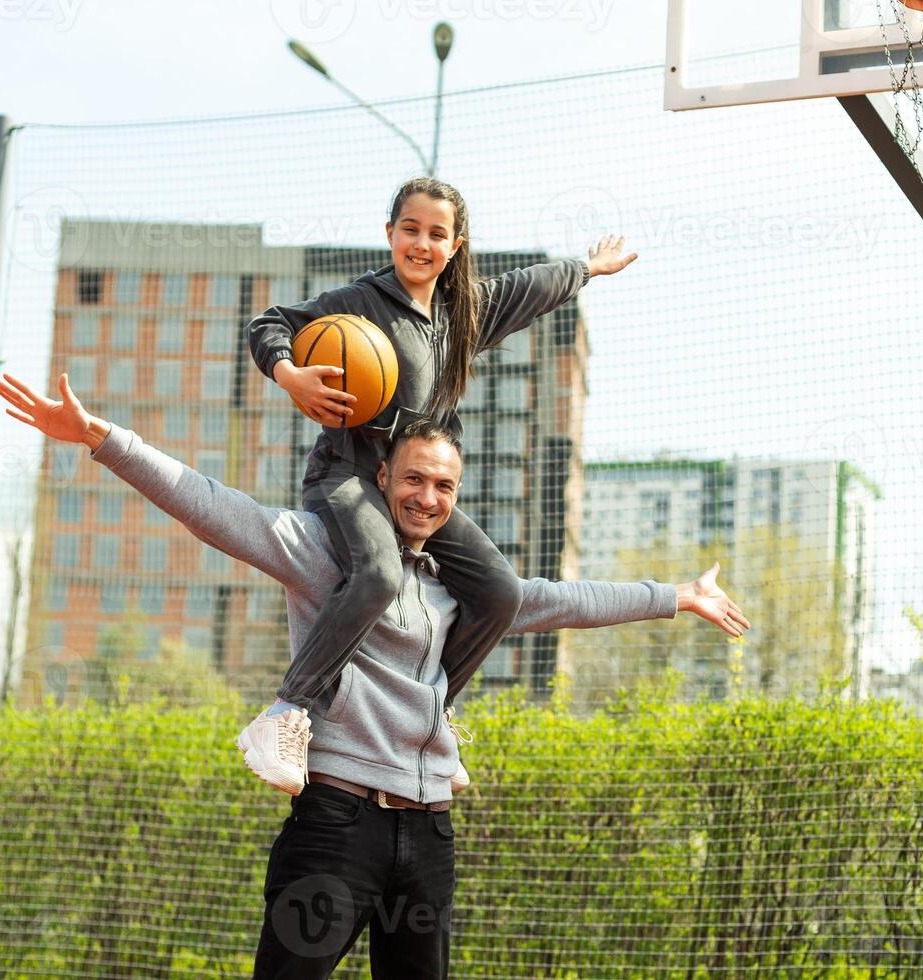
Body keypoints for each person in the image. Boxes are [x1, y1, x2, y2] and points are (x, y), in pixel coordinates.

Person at [0, 371, 748, 978]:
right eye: (415, 479)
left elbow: (560, 599)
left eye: (444, 489)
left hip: (427, 836)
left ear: (456, 502)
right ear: (383, 475)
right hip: (336, 825)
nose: (427, 498)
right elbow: (214, 509)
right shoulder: (326, 556)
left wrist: (674, 596)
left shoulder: (467, 593)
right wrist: (101, 437)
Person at [244, 176, 638, 793]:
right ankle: (287, 711)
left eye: (436, 233)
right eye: (411, 229)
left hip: (416, 486)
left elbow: (528, 287)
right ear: (390, 234)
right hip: (348, 473)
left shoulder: (461, 315)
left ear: (455, 246)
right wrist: (291, 374)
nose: (422, 243)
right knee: (377, 575)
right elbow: (270, 324)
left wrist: (588, 267)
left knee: (501, 593)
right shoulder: (361, 303)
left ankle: (429, 712)